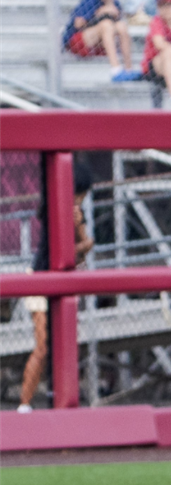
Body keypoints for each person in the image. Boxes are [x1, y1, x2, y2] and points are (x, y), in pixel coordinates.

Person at [19, 162, 95, 413]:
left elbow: (80, 254)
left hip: (61, 284)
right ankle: (24, 405)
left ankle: (64, 402)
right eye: (78, 195)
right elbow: (67, 252)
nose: (79, 201)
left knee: (67, 344)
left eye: (82, 197)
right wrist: (85, 245)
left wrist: (82, 233)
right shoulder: (53, 209)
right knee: (42, 345)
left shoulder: (76, 214)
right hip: (40, 279)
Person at [62, 0, 141, 82]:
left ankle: (129, 70)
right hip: (79, 42)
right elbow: (78, 24)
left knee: (122, 26)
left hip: (101, 43)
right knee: (106, 25)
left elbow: (118, 22)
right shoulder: (89, 1)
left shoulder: (115, 3)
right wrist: (99, 13)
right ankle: (116, 70)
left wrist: (112, 9)